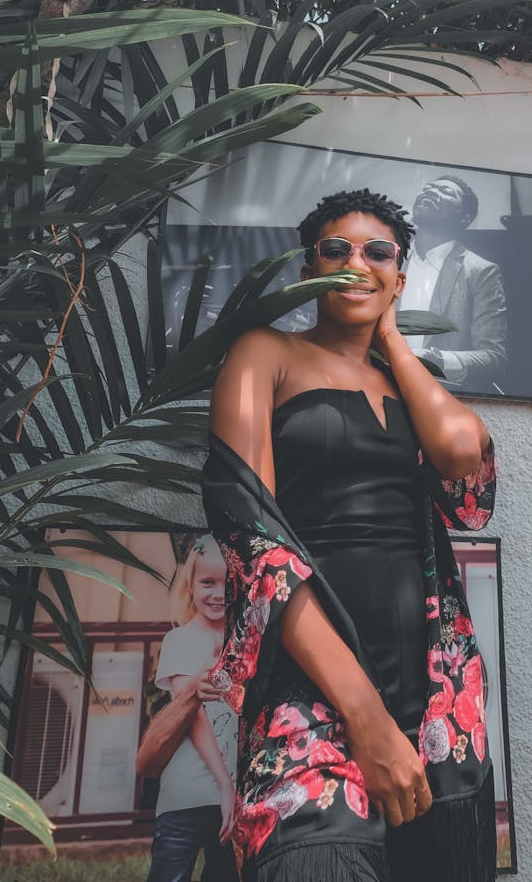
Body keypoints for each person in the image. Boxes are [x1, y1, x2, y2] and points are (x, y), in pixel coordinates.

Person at [202, 188, 498, 882]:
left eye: (378, 253)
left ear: (400, 273)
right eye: (336, 250)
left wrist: (392, 338)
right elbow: (252, 535)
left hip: (435, 683)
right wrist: (364, 717)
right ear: (311, 270)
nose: (355, 264)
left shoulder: (410, 380)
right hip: (313, 680)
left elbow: (462, 459)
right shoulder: (265, 352)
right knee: (315, 860)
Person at [144, 536, 240, 882]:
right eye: (208, 583)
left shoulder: (243, 642)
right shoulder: (180, 639)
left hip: (234, 798)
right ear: (191, 586)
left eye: (227, 583)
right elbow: (193, 715)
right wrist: (224, 786)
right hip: (186, 795)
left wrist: (234, 791)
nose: (218, 593)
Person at [399, 174, 507, 393]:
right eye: (428, 187)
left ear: (465, 217)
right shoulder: (387, 261)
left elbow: (494, 357)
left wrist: (434, 359)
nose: (430, 191)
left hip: (439, 396)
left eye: (446, 192)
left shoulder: (480, 271)